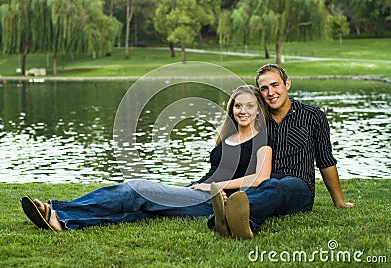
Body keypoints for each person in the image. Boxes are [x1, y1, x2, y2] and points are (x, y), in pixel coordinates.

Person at [20, 85, 273, 232]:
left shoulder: (262, 141)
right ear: (232, 108)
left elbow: (261, 178)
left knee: (137, 189)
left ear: (258, 109)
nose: (243, 111)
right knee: (138, 211)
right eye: (238, 106)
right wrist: (204, 185)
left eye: (250, 106)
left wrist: (215, 187)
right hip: (199, 191)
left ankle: (57, 210)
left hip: (215, 201)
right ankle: (63, 222)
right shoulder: (226, 137)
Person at [209, 64, 354, 239]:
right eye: (264, 88)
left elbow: (326, 160)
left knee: (275, 186)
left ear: (287, 84)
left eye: (275, 85)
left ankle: (241, 220)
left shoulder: (313, 115)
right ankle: (227, 219)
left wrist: (339, 202)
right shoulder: (257, 118)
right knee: (262, 187)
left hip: (299, 186)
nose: (271, 93)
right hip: (264, 183)